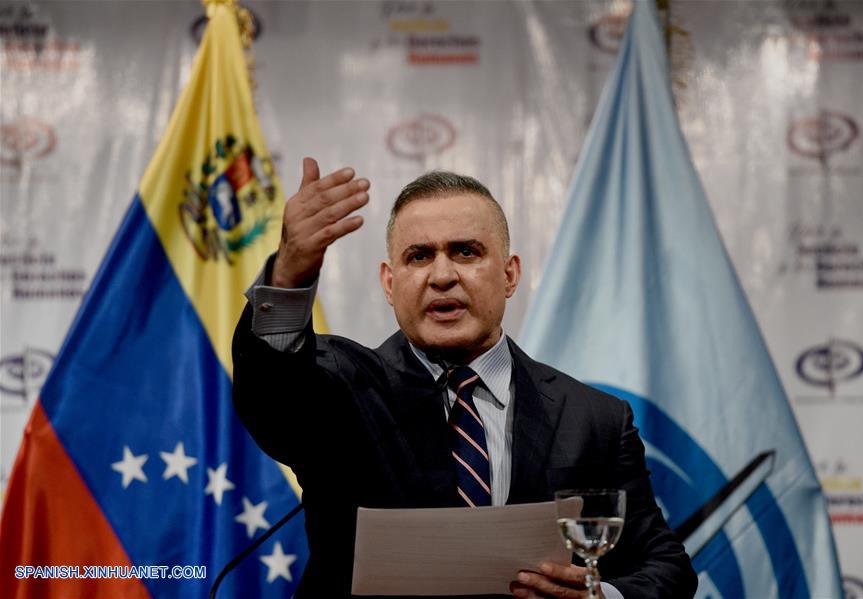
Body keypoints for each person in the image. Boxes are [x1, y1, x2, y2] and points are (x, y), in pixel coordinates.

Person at [232, 158, 697, 599]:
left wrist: (600, 596)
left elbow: (666, 567)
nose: (442, 275)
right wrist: (290, 274)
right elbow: (274, 393)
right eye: (419, 256)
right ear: (389, 283)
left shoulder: (594, 419)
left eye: (466, 251)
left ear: (510, 274)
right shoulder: (340, 387)